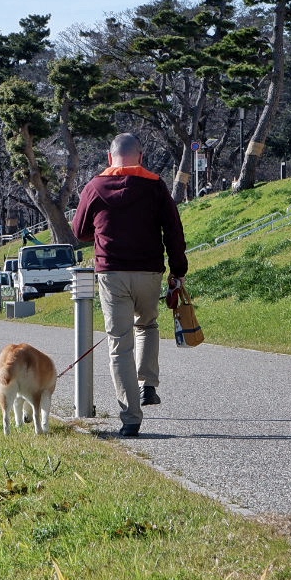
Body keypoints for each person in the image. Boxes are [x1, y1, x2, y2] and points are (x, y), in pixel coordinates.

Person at [73, 133, 188, 436]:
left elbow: (80, 231)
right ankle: (148, 383)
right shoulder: (155, 186)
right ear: (141, 155)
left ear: (109, 157)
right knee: (147, 325)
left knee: (119, 344)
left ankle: (131, 417)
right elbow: (173, 231)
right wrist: (179, 270)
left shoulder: (95, 186)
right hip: (149, 271)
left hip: (112, 272)